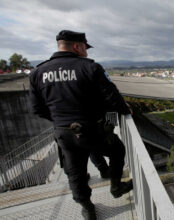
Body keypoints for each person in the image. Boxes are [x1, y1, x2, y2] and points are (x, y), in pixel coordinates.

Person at [29, 30, 132, 220]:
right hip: (92, 129)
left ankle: (87, 208)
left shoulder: (37, 72)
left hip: (64, 133)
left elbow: (37, 109)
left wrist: (60, 121)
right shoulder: (89, 67)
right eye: (85, 48)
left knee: (75, 172)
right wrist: (125, 110)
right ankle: (116, 186)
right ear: (77, 46)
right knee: (117, 151)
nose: (86, 52)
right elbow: (112, 97)